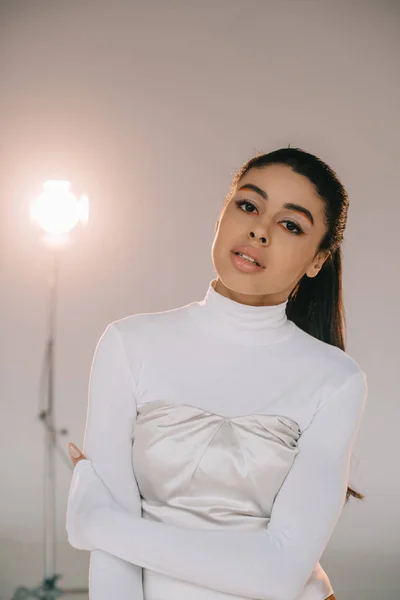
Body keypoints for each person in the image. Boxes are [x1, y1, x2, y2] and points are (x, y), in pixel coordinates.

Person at [66, 147, 368, 600]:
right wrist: (103, 531)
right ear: (221, 216)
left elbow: (278, 576)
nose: (259, 231)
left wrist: (96, 522)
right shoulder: (129, 343)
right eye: (248, 205)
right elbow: (113, 569)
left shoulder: (336, 379)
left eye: (290, 225)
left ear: (317, 261)